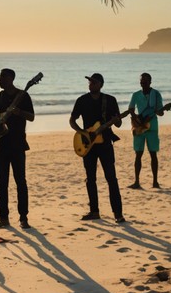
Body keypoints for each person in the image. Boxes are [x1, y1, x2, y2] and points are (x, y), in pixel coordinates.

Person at [69, 73, 126, 223]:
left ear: (100, 84)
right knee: (90, 179)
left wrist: (116, 121)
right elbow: (72, 120)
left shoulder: (110, 100)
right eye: (89, 82)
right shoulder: (82, 100)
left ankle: (118, 213)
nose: (91, 84)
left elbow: (119, 123)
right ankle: (94, 211)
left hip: (106, 143)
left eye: (94, 82)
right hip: (88, 144)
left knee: (111, 178)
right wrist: (82, 133)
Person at [0, 68, 35, 229]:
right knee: (2, 182)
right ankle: (3, 218)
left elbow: (31, 117)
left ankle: (23, 218)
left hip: (18, 144)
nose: (0, 81)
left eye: (3, 78)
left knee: (21, 181)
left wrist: (18, 112)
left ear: (11, 79)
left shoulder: (23, 96)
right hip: (1, 145)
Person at [128, 72, 165, 189]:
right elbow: (131, 109)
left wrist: (159, 111)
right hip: (139, 127)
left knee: (153, 154)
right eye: (141, 81)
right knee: (138, 154)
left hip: (152, 126)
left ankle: (155, 182)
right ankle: (137, 182)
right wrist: (136, 119)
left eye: (145, 81)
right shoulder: (135, 95)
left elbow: (161, 112)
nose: (142, 83)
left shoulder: (156, 94)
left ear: (150, 82)